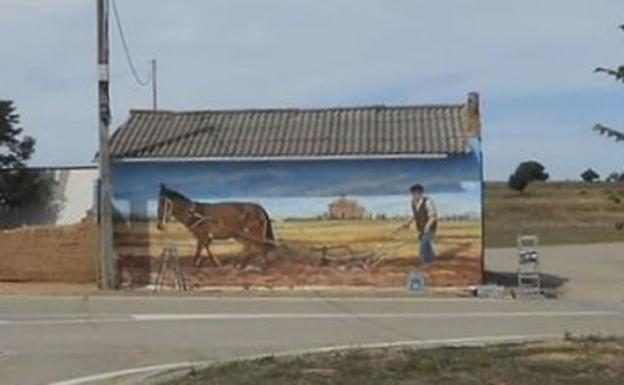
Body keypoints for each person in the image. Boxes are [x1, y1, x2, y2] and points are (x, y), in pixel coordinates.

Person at [400, 184, 438, 264]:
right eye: (413, 193)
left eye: (416, 193)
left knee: (423, 246)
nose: (414, 195)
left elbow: (433, 216)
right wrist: (407, 223)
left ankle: (423, 263)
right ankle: (432, 258)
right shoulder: (413, 203)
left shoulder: (427, 202)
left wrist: (427, 227)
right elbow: (414, 215)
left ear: (420, 193)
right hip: (420, 229)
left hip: (430, 228)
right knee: (426, 244)